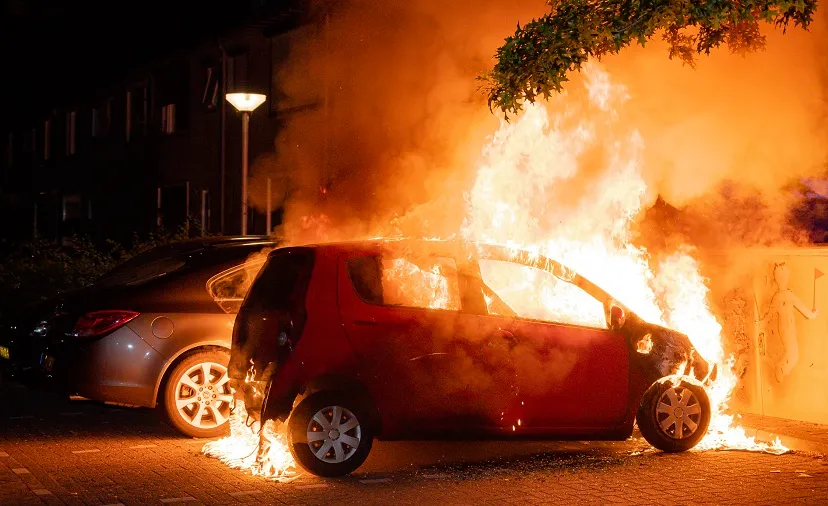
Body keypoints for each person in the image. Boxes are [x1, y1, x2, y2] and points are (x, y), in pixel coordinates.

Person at [757, 262, 819, 383]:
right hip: (786, 328)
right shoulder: (784, 295)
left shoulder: (781, 295)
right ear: (782, 278)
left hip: (787, 328)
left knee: (792, 354)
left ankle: (782, 368)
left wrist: (762, 323)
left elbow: (770, 314)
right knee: (793, 354)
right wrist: (812, 314)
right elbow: (771, 313)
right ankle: (780, 368)